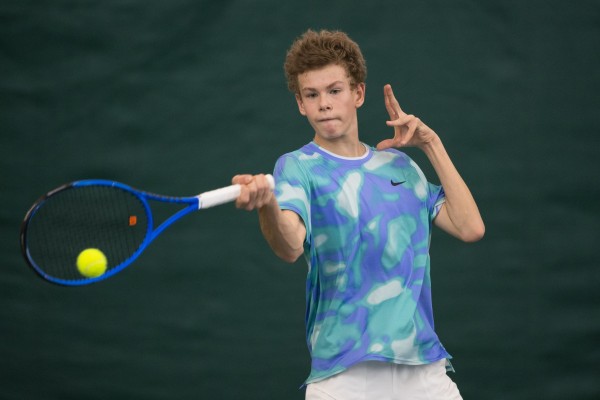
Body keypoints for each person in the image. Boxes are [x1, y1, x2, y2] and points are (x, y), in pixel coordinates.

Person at [232, 29, 485, 400]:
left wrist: (431, 144)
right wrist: (268, 203)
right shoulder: (297, 167)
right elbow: (289, 247)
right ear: (300, 103)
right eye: (311, 95)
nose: (324, 104)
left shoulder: (400, 166)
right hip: (344, 378)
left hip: (424, 371)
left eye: (334, 91)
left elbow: (470, 227)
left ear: (358, 94)